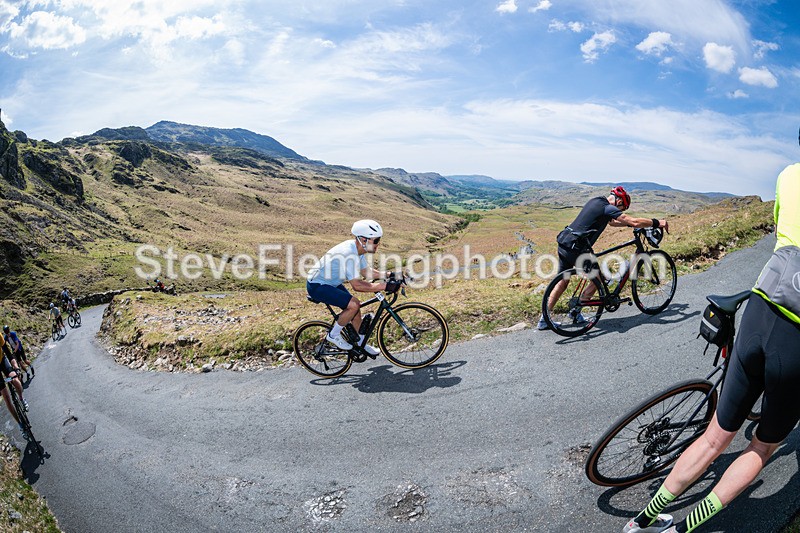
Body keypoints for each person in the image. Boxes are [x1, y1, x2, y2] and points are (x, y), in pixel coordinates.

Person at [622, 131, 800, 533]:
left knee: (713, 438)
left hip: (760, 310)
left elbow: (778, 229)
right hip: (796, 340)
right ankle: (683, 529)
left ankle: (642, 521)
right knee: (762, 446)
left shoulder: (789, 174)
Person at [538, 186, 669, 330]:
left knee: (562, 281)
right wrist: (657, 222)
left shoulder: (597, 201)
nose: (620, 211)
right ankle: (575, 313)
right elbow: (633, 221)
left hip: (565, 242)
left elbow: (612, 222)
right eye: (622, 208)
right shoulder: (607, 207)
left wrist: (628, 225)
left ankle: (544, 319)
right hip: (578, 248)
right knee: (599, 280)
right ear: (618, 201)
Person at [306, 219, 400, 356]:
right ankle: (333, 336)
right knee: (353, 305)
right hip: (317, 285)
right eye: (376, 240)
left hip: (330, 283)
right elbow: (357, 285)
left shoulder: (357, 249)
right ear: (363, 239)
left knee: (356, 309)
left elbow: (365, 272)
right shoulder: (349, 253)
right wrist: (386, 286)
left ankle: (361, 343)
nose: (378, 244)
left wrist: (390, 275)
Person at [0, 334, 29, 436]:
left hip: (2, 360)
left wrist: (16, 367)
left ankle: (21, 398)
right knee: (7, 398)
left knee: (15, 379)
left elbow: (8, 354)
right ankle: (20, 424)